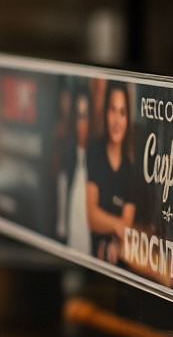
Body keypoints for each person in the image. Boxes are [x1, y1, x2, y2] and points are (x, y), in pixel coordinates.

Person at [86, 79, 138, 264]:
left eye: (122, 112)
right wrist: (116, 225)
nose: (117, 120)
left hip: (119, 263)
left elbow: (127, 227)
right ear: (106, 113)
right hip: (91, 260)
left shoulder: (131, 173)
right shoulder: (94, 152)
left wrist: (110, 226)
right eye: (113, 110)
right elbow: (91, 216)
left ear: (128, 118)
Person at [55, 80, 93, 255]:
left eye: (86, 116)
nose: (82, 124)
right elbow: (62, 226)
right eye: (79, 116)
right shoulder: (68, 160)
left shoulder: (98, 162)